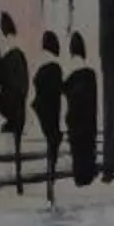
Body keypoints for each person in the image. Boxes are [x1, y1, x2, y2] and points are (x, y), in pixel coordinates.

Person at [0, 23, 31, 191]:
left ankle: (16, 179)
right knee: (17, 144)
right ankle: (18, 179)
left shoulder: (7, 58)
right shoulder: (20, 56)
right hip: (19, 106)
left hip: (10, 107)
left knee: (13, 143)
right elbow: (24, 84)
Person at [33, 30, 67, 202]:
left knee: (52, 140)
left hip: (42, 107)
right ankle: (50, 177)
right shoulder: (55, 67)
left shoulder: (42, 63)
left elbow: (36, 81)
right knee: (53, 141)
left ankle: (50, 177)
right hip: (52, 108)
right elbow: (61, 88)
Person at [64, 31, 100, 187]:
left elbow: (66, 95)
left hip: (75, 120)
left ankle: (80, 177)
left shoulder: (70, 73)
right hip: (88, 120)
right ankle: (88, 175)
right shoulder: (91, 74)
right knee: (87, 147)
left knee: (78, 150)